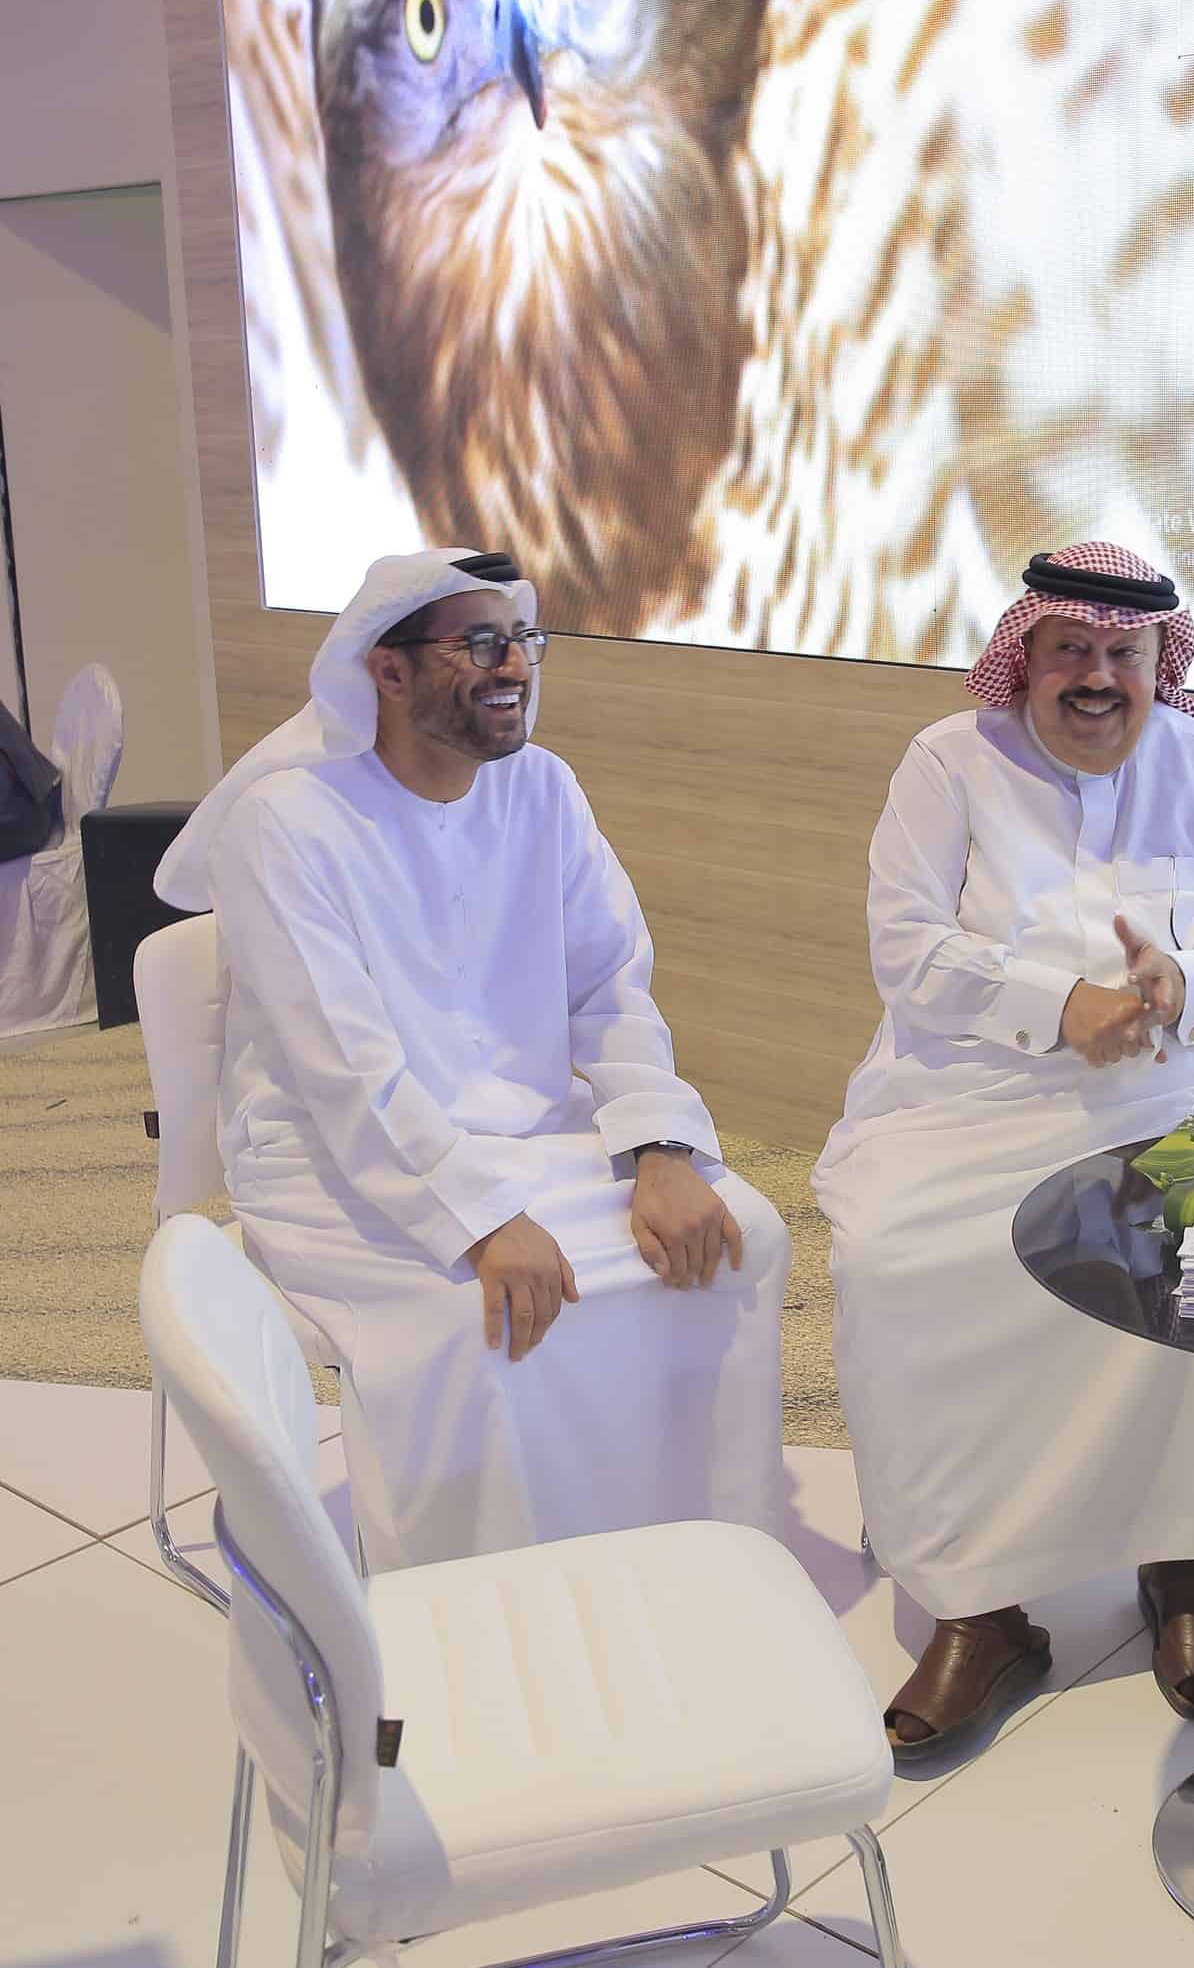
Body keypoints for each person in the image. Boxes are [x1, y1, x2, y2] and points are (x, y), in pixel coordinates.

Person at [155, 550, 788, 1571]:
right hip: (337, 1165)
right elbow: (343, 1071)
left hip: (536, 1136)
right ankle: (481, 1611)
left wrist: (661, 1150)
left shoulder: (543, 789)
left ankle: (688, 1572)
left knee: (737, 1238)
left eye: (522, 640)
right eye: (481, 644)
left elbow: (611, 986)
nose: (516, 666)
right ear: (388, 671)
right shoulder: (285, 824)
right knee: (479, 1316)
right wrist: (483, 1221)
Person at [814, 541, 1194, 1761]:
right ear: (1024, 653)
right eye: (1070, 648)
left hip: (1167, 1085)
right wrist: (1054, 1002)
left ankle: (1182, 1563)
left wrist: (1184, 982)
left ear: (1157, 660)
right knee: (893, 1257)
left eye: (1124, 653)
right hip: (968, 1090)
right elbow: (906, 948)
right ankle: (978, 1609)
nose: (1097, 676)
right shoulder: (948, 762)